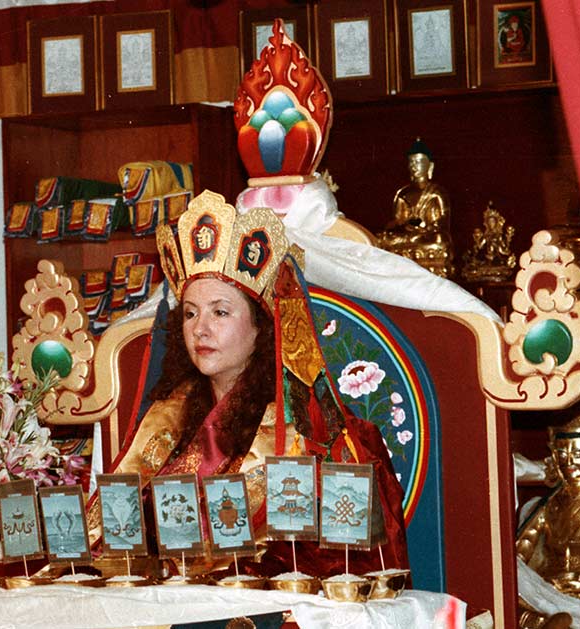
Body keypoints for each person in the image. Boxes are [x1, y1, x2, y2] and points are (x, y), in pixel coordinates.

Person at [95, 191, 410, 578]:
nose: (201, 328)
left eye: (221, 312)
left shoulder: (310, 435)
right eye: (190, 313)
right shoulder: (167, 419)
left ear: (262, 329)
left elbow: (343, 564)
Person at [516, 410, 580, 602]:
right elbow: (519, 555)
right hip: (550, 593)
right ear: (555, 458)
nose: (570, 462)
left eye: (578, 453)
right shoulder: (547, 505)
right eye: (563, 454)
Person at [377, 138, 454, 278]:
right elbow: (397, 220)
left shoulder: (436, 192)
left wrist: (426, 227)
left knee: (439, 241)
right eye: (411, 162)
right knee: (383, 240)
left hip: (427, 236)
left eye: (418, 162)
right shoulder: (403, 193)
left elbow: (443, 220)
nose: (414, 166)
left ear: (430, 166)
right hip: (409, 236)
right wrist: (404, 223)